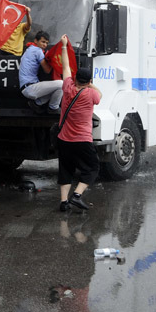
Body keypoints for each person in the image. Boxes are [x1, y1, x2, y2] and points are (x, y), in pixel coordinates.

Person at [55, 34, 102, 212]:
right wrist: (91, 85)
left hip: (64, 138)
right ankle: (77, 195)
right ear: (89, 81)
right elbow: (100, 95)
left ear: (75, 79)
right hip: (82, 140)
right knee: (92, 168)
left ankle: (63, 202)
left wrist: (64, 45)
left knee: (65, 169)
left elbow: (66, 66)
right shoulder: (91, 94)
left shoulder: (67, 88)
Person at [19, 30, 63, 114]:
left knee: (54, 89)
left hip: (26, 88)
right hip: (30, 87)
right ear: (36, 41)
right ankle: (53, 108)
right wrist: (53, 59)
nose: (45, 45)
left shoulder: (29, 49)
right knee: (62, 84)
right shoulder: (37, 50)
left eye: (46, 43)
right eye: (43, 42)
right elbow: (47, 70)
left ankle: (36, 103)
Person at [0, 7, 32, 76]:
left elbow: (29, 24)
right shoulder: (5, 24)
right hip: (2, 50)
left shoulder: (22, 26)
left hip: (14, 53)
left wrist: (27, 14)